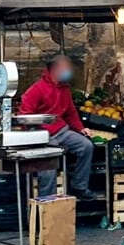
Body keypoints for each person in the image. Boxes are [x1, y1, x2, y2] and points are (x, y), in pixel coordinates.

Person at [19, 55, 95, 200]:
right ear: (55, 69)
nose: (69, 71)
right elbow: (25, 115)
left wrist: (80, 128)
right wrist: (37, 134)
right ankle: (47, 202)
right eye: (65, 67)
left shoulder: (64, 89)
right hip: (43, 136)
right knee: (48, 167)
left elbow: (71, 112)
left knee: (86, 146)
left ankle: (79, 186)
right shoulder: (36, 90)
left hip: (62, 131)